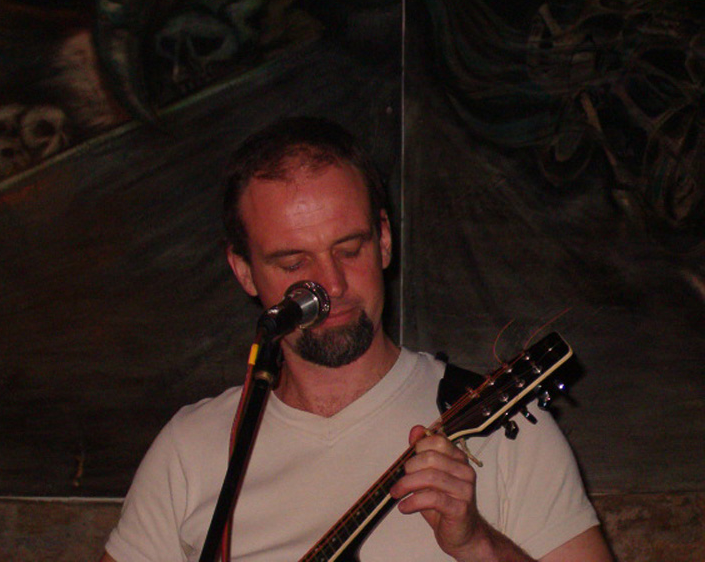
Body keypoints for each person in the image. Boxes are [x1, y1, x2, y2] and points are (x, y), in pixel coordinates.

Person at [100, 117, 613, 562]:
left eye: (349, 250)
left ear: (384, 240)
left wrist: (479, 545)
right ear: (245, 271)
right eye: (294, 263)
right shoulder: (191, 449)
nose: (332, 286)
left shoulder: (499, 431)